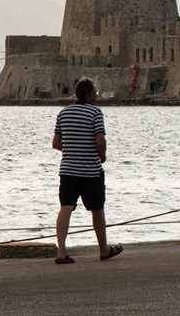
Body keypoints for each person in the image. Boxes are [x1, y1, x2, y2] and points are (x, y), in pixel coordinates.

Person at [52, 78, 123, 263]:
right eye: (96, 92)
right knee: (97, 209)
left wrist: (73, 150)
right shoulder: (95, 113)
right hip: (90, 171)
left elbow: (56, 143)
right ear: (90, 94)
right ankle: (104, 250)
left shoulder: (63, 113)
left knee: (65, 208)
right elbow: (100, 140)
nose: (97, 95)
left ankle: (61, 252)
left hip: (68, 170)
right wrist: (103, 154)